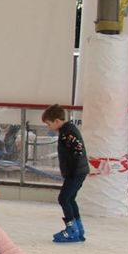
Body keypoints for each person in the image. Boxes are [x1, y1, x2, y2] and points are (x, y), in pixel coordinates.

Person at [42, 104, 88, 243]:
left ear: (57, 121)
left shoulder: (67, 132)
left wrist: (72, 170)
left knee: (63, 198)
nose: (48, 127)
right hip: (77, 171)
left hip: (76, 172)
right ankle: (78, 228)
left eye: (48, 124)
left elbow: (77, 151)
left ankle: (72, 229)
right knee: (70, 199)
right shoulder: (67, 131)